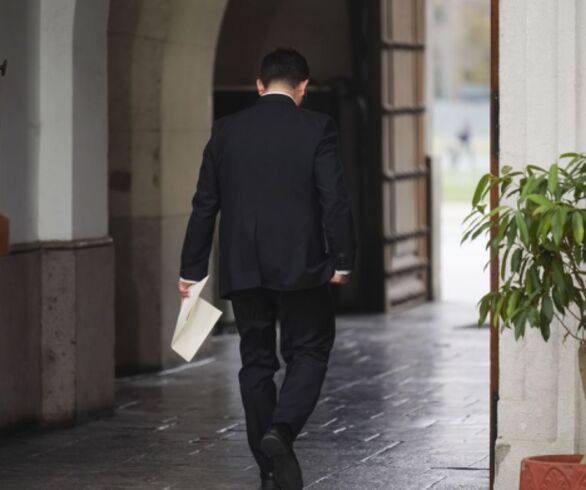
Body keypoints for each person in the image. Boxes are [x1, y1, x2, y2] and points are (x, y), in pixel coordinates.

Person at [177, 47, 356, 490]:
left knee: (256, 361)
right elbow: (334, 200)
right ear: (303, 86)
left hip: (243, 266)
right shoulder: (317, 127)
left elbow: (205, 205)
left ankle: (269, 468)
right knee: (309, 350)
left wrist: (192, 270)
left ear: (259, 85)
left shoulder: (226, 130)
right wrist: (342, 259)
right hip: (302, 264)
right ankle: (282, 430)